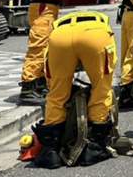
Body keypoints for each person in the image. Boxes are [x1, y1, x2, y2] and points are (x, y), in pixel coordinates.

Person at [31, 11, 116, 169]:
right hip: (95, 33)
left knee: (56, 93)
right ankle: (94, 148)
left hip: (60, 36)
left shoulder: (59, 25)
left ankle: (51, 152)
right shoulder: (102, 23)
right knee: (101, 89)